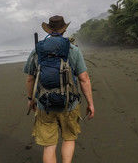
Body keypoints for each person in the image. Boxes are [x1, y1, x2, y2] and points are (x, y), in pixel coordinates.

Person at [24, 15, 95, 163]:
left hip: (45, 105)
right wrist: (90, 103)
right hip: (70, 104)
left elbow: (30, 78)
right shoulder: (73, 49)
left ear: (49, 30)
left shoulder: (37, 50)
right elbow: (84, 78)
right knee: (69, 139)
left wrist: (30, 99)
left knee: (49, 145)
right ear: (64, 30)